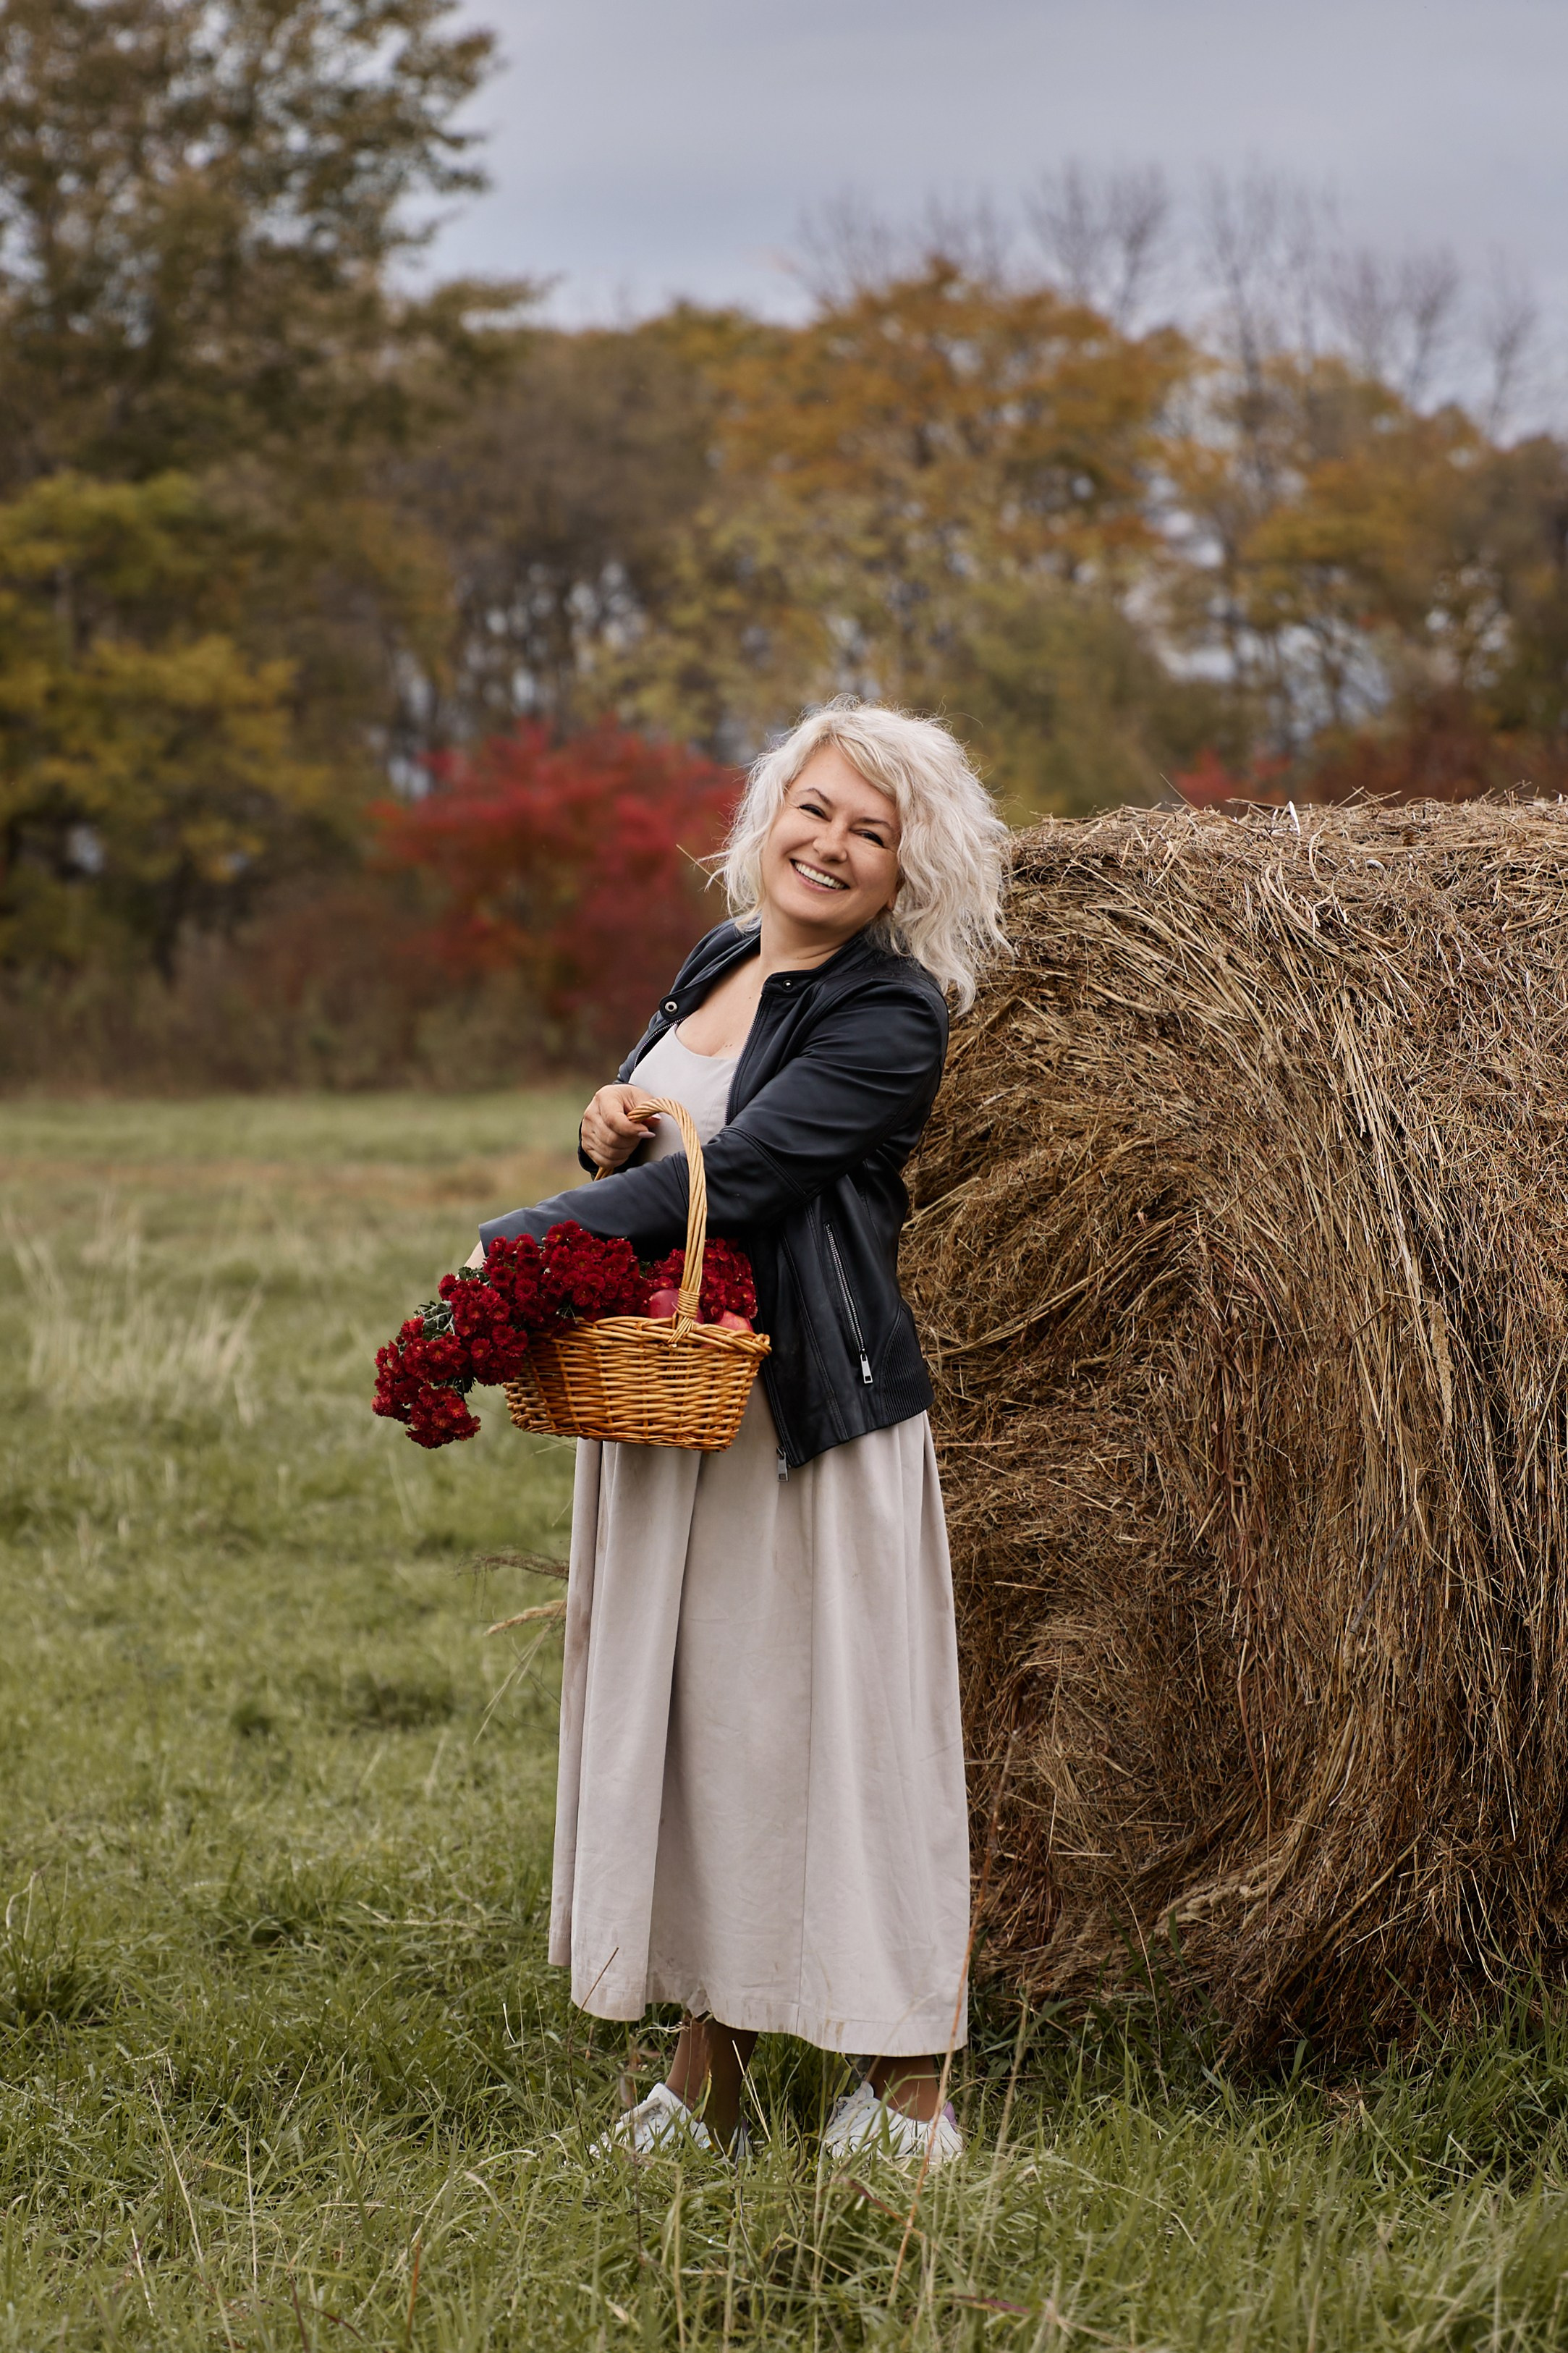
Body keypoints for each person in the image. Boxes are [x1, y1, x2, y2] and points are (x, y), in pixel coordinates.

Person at [476, 697, 1009, 2166]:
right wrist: (602, 1134)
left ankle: (911, 2086)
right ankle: (706, 2078)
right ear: (768, 816)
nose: (830, 846)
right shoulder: (719, 958)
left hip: (802, 1426)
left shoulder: (890, 1013)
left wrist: (528, 1242)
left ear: (909, 872)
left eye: (870, 832)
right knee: (706, 1739)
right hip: (672, 1408)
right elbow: (677, 1139)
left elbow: (757, 1173)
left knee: (842, 1737)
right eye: (814, 810)